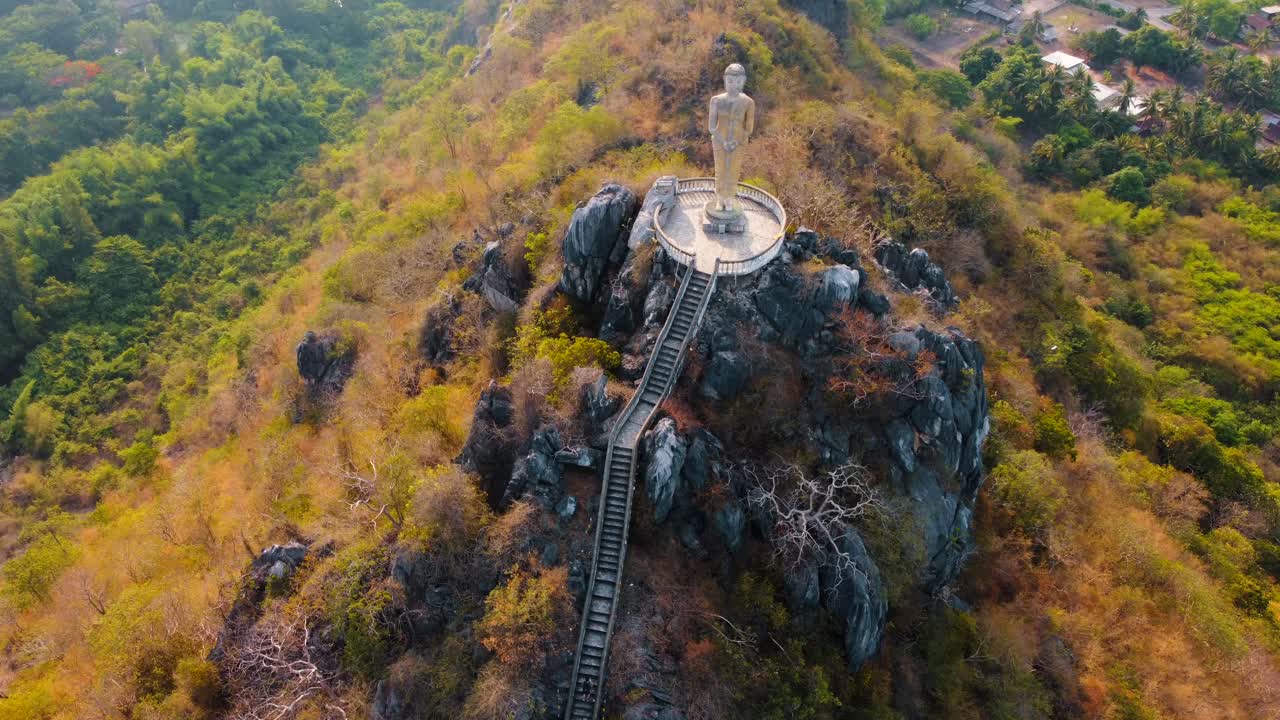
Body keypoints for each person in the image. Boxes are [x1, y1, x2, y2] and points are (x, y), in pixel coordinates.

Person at [706, 63, 756, 222]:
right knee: (720, 170)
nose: (734, 85)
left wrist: (736, 141)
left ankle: (729, 199)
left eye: (738, 81)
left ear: (744, 81)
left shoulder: (748, 103)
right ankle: (720, 198)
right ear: (724, 80)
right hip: (720, 142)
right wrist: (723, 141)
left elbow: (748, 129)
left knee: (733, 171)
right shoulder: (716, 101)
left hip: (738, 142)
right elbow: (712, 127)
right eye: (730, 81)